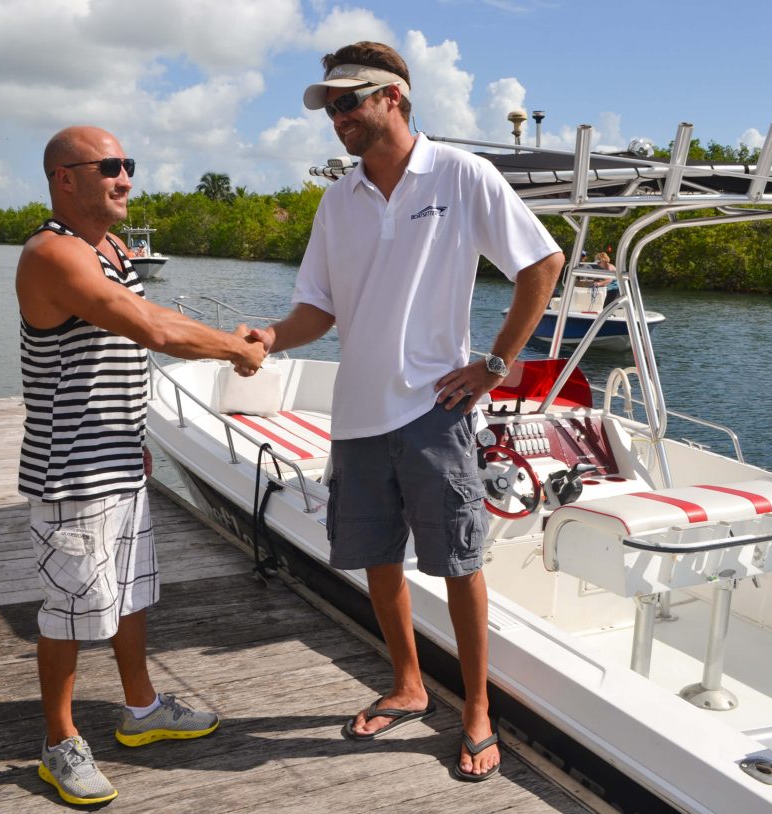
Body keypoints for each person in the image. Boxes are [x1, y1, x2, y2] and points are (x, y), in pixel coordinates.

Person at [247, 42, 563, 782]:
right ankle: (409, 684)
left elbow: (541, 265)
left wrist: (491, 364)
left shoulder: (459, 174)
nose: (337, 117)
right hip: (356, 414)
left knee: (458, 562)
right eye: (330, 106)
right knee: (379, 561)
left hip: (434, 410)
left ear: (394, 96)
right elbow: (315, 310)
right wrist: (268, 336)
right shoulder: (338, 199)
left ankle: (478, 707)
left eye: (348, 101)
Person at [16, 125, 267, 806]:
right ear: (65, 178)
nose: (126, 177)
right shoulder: (52, 255)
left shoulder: (113, 248)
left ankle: (142, 709)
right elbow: (150, 330)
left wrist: (134, 438)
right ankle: (59, 742)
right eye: (111, 167)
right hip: (70, 473)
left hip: (119, 459)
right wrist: (233, 348)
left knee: (130, 594)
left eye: (129, 165)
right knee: (68, 610)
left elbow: (144, 309)